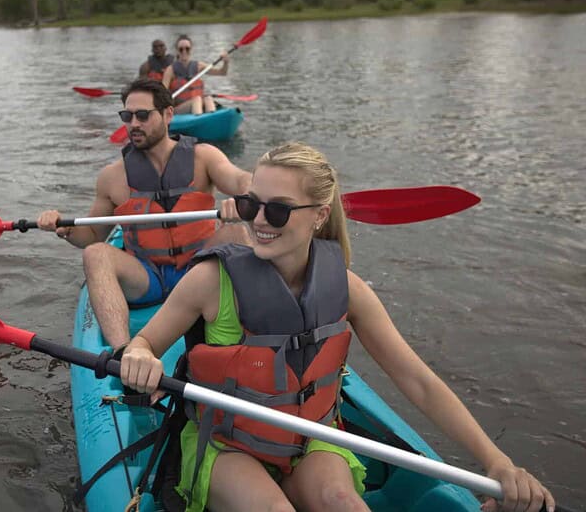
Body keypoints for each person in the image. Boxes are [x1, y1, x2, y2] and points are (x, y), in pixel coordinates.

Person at [119, 142, 556, 512]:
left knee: (344, 504)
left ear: (319, 215)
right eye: (251, 204)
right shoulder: (210, 281)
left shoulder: (347, 289)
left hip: (311, 439)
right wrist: (138, 354)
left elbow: (418, 381)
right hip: (228, 445)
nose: (258, 221)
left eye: (278, 210)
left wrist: (497, 464)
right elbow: (146, 341)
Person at [37, 78, 251, 351]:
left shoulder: (204, 157)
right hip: (148, 276)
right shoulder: (112, 177)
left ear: (168, 114)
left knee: (236, 232)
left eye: (142, 115)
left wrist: (247, 196)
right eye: (127, 116)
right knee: (95, 254)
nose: (133, 124)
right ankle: (123, 353)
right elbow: (91, 236)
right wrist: (65, 228)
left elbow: (240, 179)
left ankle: (254, 335)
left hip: (198, 266)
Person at [161, 34, 228, 116]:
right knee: (197, 99)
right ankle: (199, 121)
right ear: (177, 51)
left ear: (191, 49)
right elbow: (162, 92)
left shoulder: (199, 66)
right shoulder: (170, 70)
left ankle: (212, 119)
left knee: (208, 98)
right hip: (179, 109)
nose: (184, 51)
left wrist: (226, 62)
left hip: (197, 103)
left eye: (187, 48)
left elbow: (222, 72)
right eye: (181, 49)